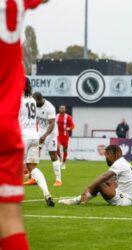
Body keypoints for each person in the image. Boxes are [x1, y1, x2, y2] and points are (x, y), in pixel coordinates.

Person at [0, 1, 48, 249]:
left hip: (22, 131)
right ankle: (48, 191)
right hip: (10, 132)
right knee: (9, 219)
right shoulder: (13, 3)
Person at [59, 145, 132, 206]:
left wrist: (88, 187)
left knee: (100, 183)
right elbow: (109, 180)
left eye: (107, 155)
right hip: (129, 198)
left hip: (125, 200)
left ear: (115, 154)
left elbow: (104, 176)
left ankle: (77, 200)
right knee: (106, 181)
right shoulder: (123, 162)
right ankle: (81, 199)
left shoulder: (119, 164)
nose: (106, 158)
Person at [20, 78, 54, 206]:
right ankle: (47, 193)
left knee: (14, 168)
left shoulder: (18, 100)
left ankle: (12, 199)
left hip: (23, 137)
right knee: (33, 168)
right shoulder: (32, 100)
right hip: (34, 137)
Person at [33, 92, 62, 187]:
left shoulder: (50, 107)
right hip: (40, 132)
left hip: (51, 134)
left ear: (40, 99)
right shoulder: (34, 105)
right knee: (33, 152)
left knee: (53, 155)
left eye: (35, 101)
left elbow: (52, 124)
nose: (34, 103)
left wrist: (44, 136)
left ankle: (58, 180)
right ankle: (33, 178)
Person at [56, 105, 75, 170]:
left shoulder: (68, 117)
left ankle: (63, 163)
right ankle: (60, 160)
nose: (61, 109)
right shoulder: (56, 116)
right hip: (58, 135)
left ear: (65, 109)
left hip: (65, 136)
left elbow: (72, 126)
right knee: (57, 147)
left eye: (63, 108)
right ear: (59, 109)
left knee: (65, 150)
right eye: (60, 108)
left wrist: (67, 128)